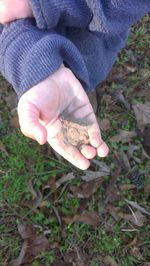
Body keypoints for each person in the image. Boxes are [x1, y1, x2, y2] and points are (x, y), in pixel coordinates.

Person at [0, 1, 149, 170]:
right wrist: (35, 62)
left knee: (87, 73)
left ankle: (83, 87)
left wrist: (38, 4)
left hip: (91, 48)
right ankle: (74, 89)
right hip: (47, 55)